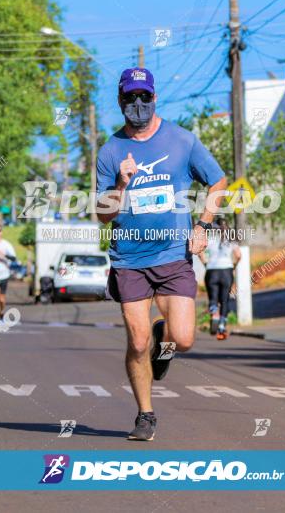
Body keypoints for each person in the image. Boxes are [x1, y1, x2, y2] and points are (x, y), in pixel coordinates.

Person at [96, 67, 227, 441]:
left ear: (154, 98)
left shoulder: (182, 141)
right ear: (120, 101)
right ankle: (145, 414)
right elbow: (104, 215)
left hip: (173, 254)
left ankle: (162, 337)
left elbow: (217, 180)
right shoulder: (110, 151)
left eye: (143, 97)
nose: (137, 104)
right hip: (130, 259)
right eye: (130, 98)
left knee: (181, 340)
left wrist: (202, 225)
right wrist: (120, 183)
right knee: (137, 343)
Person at [198, 218, 241, 340]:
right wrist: (233, 266)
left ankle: (214, 313)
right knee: (225, 301)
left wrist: (206, 264)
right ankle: (222, 328)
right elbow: (238, 255)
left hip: (212, 271)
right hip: (226, 271)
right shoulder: (231, 239)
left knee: (213, 298)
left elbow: (201, 254)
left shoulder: (210, 238)